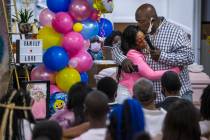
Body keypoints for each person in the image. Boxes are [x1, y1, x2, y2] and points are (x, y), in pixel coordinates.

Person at [111, 3, 194, 103]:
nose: (138, 25)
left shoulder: (177, 32)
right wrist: (123, 59)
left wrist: (162, 56)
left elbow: (189, 57)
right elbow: (117, 47)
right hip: (151, 97)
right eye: (137, 21)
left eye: (141, 22)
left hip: (177, 95)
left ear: (152, 20)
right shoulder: (140, 32)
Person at [116, 25, 180, 103]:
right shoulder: (133, 55)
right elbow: (151, 75)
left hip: (132, 92)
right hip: (127, 94)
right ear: (132, 43)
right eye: (140, 41)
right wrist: (175, 70)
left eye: (144, 38)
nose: (144, 42)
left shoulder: (138, 52)